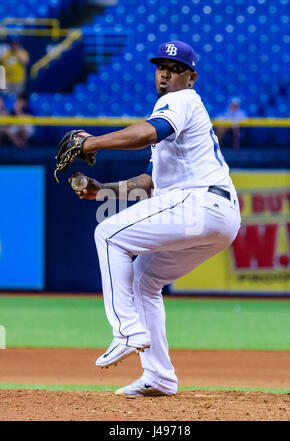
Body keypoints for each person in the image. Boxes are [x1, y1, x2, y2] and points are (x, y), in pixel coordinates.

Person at [66, 41, 241, 397]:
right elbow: (150, 183)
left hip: (198, 202)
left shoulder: (180, 101)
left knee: (109, 235)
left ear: (191, 77)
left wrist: (92, 143)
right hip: (220, 216)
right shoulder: (179, 114)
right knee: (144, 279)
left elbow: (148, 131)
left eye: (175, 68)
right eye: (161, 66)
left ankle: (126, 331)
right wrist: (103, 191)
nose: (165, 73)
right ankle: (159, 377)